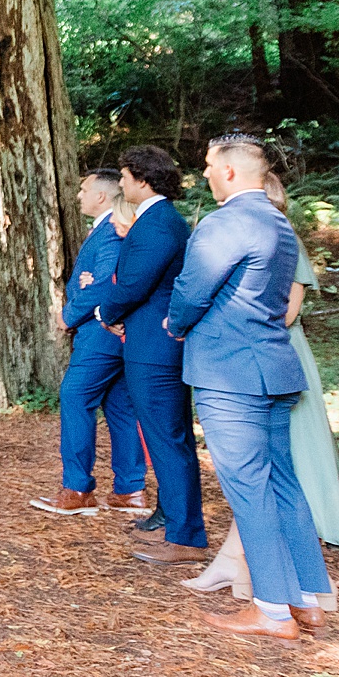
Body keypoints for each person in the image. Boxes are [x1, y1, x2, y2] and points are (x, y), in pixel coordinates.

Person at [164, 135, 336, 642]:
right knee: (283, 483)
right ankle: (308, 600)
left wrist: (175, 323)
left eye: (211, 166)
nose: (206, 175)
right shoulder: (279, 223)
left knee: (249, 487)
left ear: (232, 173)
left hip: (230, 372)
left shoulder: (227, 222)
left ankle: (271, 611)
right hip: (273, 369)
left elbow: (193, 289)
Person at [184, 168, 339, 596]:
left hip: (256, 360)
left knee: (258, 480)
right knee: (270, 478)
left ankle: (273, 602)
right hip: (266, 359)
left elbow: (281, 312)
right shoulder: (274, 233)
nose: (208, 175)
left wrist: (186, 322)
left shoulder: (256, 232)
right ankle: (302, 593)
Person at [88, 144, 208, 563]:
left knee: (167, 437)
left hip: (155, 348)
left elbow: (136, 283)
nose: (120, 184)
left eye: (123, 177)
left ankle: (185, 536)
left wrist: (106, 311)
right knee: (167, 437)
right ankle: (173, 516)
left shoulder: (158, 224)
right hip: (150, 341)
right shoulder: (158, 220)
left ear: (142, 179)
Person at [32, 169, 150, 518]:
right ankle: (130, 490)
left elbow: (102, 285)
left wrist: (68, 315)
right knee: (120, 405)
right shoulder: (105, 229)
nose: (79, 195)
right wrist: (85, 285)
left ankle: (78, 489)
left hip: (102, 332)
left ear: (101, 196)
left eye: (84, 189)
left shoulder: (112, 229)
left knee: (75, 396)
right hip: (112, 332)